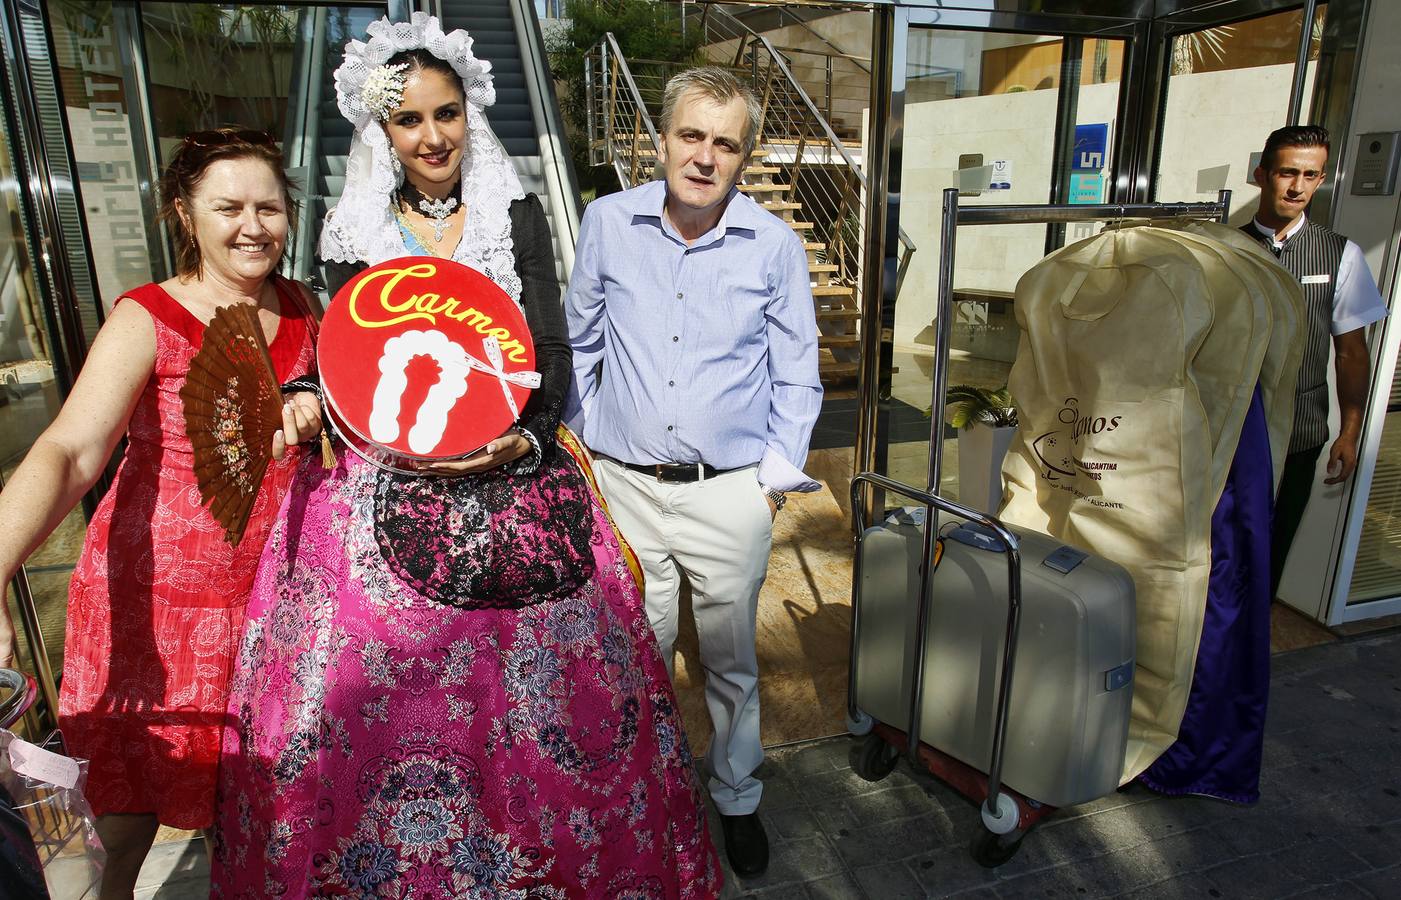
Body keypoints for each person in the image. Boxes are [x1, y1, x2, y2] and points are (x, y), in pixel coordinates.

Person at [210, 15, 720, 898]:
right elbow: (342, 361)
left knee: (543, 689)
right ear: (382, 130)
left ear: (468, 113)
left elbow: (550, 354)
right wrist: (305, 393)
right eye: (409, 121)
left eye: (446, 113)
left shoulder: (511, 213)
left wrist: (521, 438)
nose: (432, 136)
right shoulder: (354, 226)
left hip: (513, 465)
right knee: (371, 682)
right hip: (388, 478)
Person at [0, 129, 322, 897]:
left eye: (269, 207)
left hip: (274, 604)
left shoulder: (305, 305)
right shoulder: (147, 317)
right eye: (229, 207)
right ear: (184, 214)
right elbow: (71, 452)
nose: (254, 226)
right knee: (130, 812)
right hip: (160, 610)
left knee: (259, 799)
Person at [564, 66, 822, 878]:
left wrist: (771, 481)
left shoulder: (773, 245)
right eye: (691, 135)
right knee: (633, 654)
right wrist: (583, 456)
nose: (705, 156)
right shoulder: (607, 221)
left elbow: (796, 373)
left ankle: (736, 795)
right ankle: (639, 798)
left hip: (728, 495)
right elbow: (581, 343)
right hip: (626, 489)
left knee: (730, 659)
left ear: (743, 157)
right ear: (662, 137)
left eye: (725, 143)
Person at [1240, 125, 1387, 593]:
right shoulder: (1224, 249)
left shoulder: (1340, 254)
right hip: (1231, 432)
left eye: (1310, 175)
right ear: (1262, 174)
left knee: (1272, 555)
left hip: (1300, 435)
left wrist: (1349, 430)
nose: (1298, 187)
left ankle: (1252, 658)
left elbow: (1351, 351)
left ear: (1322, 179)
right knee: (1221, 554)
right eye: (1287, 173)